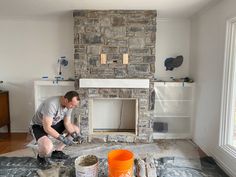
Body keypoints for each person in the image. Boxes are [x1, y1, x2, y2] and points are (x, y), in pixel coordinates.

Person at [30, 91, 82, 168]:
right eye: (72, 105)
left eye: (74, 106)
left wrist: (75, 136)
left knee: (76, 130)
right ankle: (40, 157)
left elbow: (67, 123)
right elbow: (47, 127)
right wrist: (63, 138)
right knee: (47, 148)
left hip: (54, 124)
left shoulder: (69, 106)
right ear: (66, 100)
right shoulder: (51, 104)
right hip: (39, 126)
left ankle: (57, 151)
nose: (73, 107)